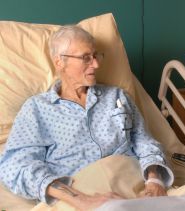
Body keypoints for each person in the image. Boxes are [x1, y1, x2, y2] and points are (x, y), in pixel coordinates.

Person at [0, 25, 173, 210]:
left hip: (134, 185)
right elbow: (16, 166)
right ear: (60, 62)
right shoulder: (37, 109)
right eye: (85, 58)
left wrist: (155, 180)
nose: (96, 64)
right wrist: (78, 199)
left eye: (96, 55)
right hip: (80, 193)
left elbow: (144, 141)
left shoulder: (116, 97)